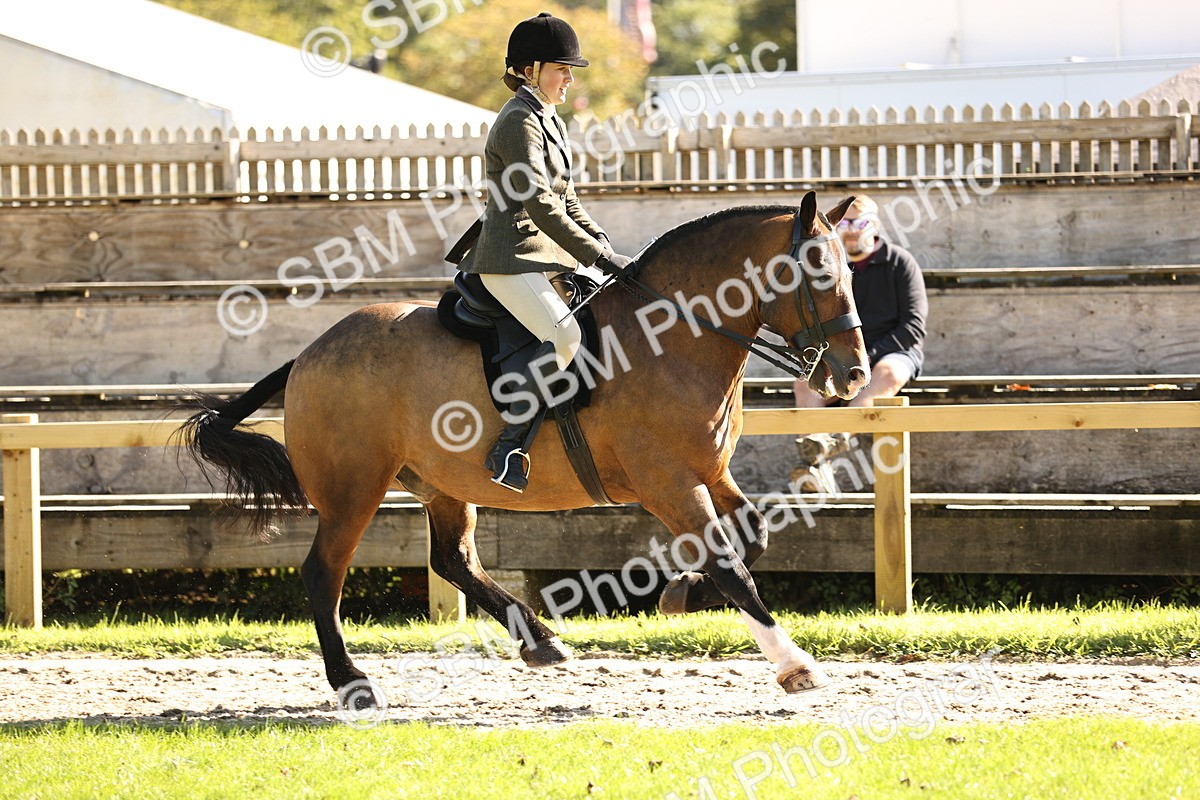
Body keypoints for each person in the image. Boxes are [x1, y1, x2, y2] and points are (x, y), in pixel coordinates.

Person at [452, 12, 634, 493]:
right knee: (567, 337)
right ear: (530, 69)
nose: (570, 80)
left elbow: (569, 199)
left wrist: (610, 251)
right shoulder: (516, 121)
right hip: (513, 258)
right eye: (561, 69)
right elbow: (540, 202)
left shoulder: (547, 118)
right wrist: (596, 256)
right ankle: (508, 446)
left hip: (549, 256)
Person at [790, 195, 928, 490]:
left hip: (893, 352)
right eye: (846, 223)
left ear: (874, 226)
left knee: (886, 373)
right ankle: (814, 467)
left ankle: (833, 439)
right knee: (804, 384)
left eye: (860, 222)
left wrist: (867, 357)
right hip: (842, 355)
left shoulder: (900, 263)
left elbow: (913, 327)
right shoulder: (830, 267)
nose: (851, 229)